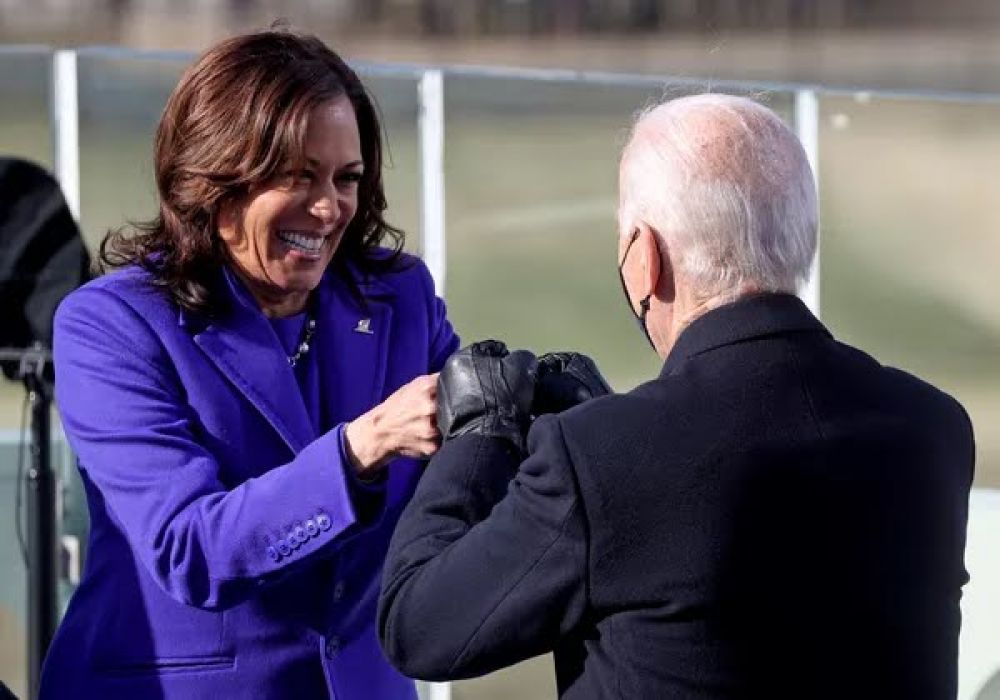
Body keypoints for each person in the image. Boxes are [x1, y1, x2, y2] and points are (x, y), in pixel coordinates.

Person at [378, 94, 975, 699]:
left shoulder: (599, 459)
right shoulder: (933, 430)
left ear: (644, 259)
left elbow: (419, 628)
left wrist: (479, 437)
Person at [40, 30, 457, 700]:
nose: (328, 209)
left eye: (346, 178)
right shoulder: (110, 325)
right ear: (214, 179)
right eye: (297, 176)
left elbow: (471, 480)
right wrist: (358, 451)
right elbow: (188, 550)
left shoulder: (399, 298)